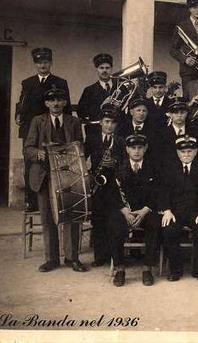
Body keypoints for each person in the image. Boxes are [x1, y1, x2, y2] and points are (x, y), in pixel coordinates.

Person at [23, 86, 85, 273]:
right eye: (52, 100)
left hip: (68, 175)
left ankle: (72, 258)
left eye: (59, 100)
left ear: (65, 102)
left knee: (72, 215)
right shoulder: (37, 121)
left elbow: (81, 146)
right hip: (44, 176)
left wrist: (73, 150)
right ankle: (51, 259)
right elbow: (27, 149)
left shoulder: (74, 122)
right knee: (48, 217)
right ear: (46, 103)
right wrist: (39, 154)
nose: (56, 104)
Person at [16, 47, 71, 211]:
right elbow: (21, 103)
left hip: (54, 127)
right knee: (31, 164)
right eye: (39, 62)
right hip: (33, 131)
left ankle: (60, 201)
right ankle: (31, 202)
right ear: (35, 64)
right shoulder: (27, 83)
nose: (43, 65)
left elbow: (66, 108)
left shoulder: (60, 82)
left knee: (58, 164)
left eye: (46, 62)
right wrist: (18, 115)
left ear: (51, 63)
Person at [107, 133, 162, 287]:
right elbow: (112, 194)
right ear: (127, 149)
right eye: (133, 148)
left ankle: (147, 269)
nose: (136, 151)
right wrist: (125, 211)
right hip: (125, 211)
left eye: (140, 147)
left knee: (155, 225)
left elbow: (158, 192)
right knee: (114, 225)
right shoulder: (118, 167)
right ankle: (119, 269)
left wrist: (145, 210)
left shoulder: (154, 167)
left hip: (145, 211)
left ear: (145, 148)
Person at [160, 134, 198, 282]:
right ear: (177, 152)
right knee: (168, 229)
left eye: (190, 151)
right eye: (183, 151)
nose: (186, 154)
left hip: (196, 212)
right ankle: (176, 270)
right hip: (175, 212)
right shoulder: (169, 167)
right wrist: (167, 210)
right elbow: (163, 191)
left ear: (195, 151)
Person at [83, 103, 126, 267]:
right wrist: (87, 175)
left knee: (113, 219)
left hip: (115, 186)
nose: (109, 125)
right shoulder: (92, 140)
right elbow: (82, 159)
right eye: (106, 121)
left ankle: (113, 256)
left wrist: (114, 163)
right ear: (101, 122)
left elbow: (125, 163)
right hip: (97, 185)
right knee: (98, 220)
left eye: (113, 123)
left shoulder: (121, 141)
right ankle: (100, 256)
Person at [77, 53, 116, 142]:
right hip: (96, 133)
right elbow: (81, 112)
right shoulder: (89, 90)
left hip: (117, 132)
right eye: (101, 68)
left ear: (111, 69)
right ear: (97, 70)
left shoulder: (120, 87)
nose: (104, 71)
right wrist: (101, 106)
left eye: (107, 68)